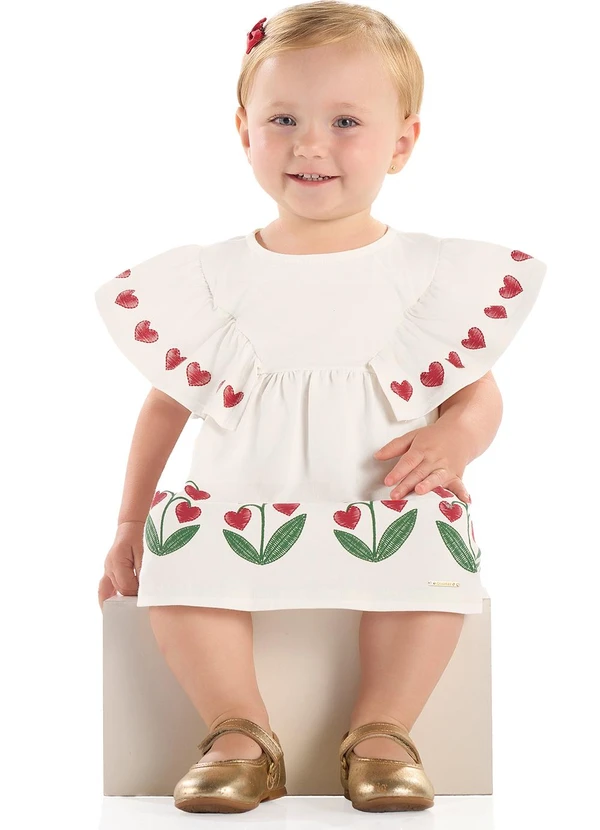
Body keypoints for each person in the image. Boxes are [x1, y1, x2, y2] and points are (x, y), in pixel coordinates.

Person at [94, 1, 547, 815]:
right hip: (240, 499)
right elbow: (166, 403)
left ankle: (383, 727)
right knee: (180, 556)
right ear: (243, 131)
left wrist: (455, 441)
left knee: (435, 549)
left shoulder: (426, 273)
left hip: (381, 498)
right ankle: (240, 730)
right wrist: (130, 523)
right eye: (283, 119)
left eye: (345, 121)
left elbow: (476, 391)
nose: (310, 144)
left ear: (402, 142)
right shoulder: (213, 278)